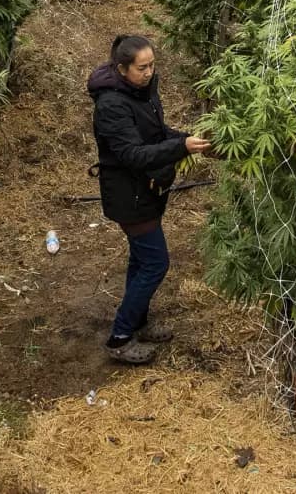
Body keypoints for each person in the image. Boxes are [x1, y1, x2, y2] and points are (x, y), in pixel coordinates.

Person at [87, 33, 207, 364]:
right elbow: (133, 154)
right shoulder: (111, 105)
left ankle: (137, 320)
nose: (150, 72)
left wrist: (186, 139)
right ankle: (120, 338)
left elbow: (155, 133)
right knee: (156, 262)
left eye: (153, 65)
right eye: (142, 67)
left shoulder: (141, 91)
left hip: (147, 189)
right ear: (122, 68)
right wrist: (180, 147)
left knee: (141, 260)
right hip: (130, 194)